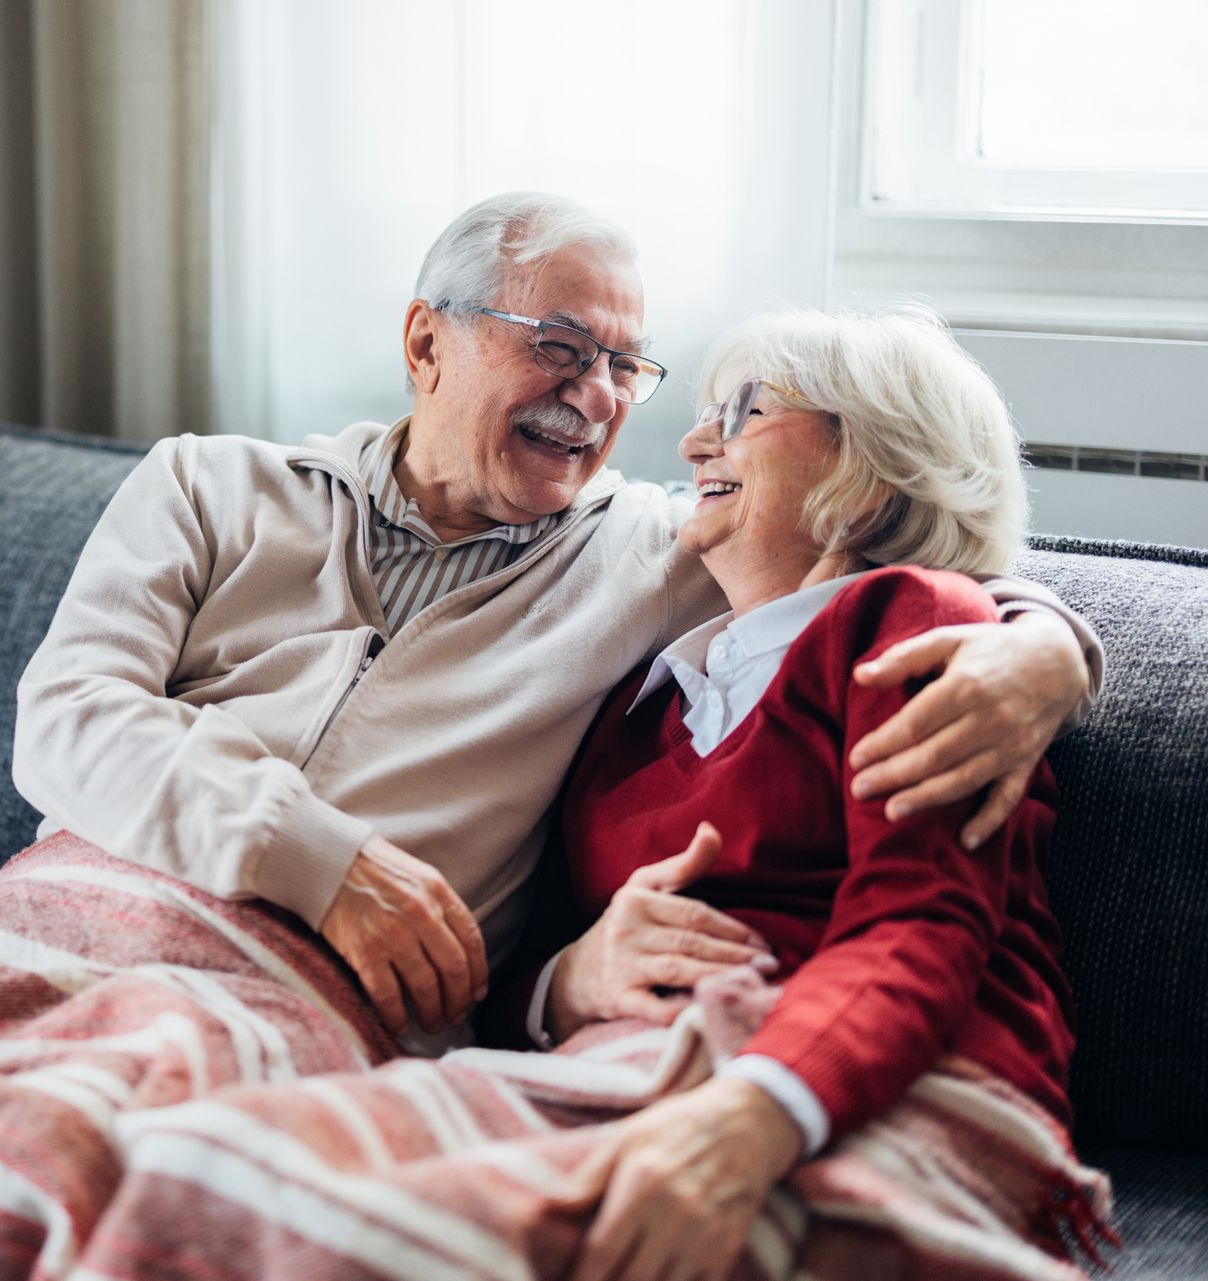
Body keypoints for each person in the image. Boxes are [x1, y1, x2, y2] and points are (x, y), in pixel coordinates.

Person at [11, 192, 1098, 1049]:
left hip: (309, 1000)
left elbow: (881, 540)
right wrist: (322, 861)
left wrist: (1045, 646)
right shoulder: (208, 486)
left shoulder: (650, 554)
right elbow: (66, 718)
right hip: (77, 904)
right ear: (427, 343)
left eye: (626, 365)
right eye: (561, 346)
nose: (599, 397)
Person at [489, 306, 1114, 1279]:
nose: (696, 442)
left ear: (871, 462)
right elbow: (523, 957)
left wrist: (751, 1114)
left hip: (856, 1076)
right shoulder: (634, 704)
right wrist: (566, 983)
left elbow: (921, 924)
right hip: (632, 1061)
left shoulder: (912, 628)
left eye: (743, 413)